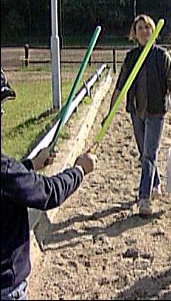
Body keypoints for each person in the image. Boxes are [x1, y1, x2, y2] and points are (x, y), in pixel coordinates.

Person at [1, 68, 96, 300]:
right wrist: (79, 170)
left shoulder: (8, 173)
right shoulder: (5, 171)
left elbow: (10, 182)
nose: (2, 111)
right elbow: (48, 193)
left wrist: (30, 164)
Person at [109, 14, 171, 217]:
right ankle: (155, 183)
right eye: (140, 28)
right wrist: (110, 112)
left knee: (149, 154)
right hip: (136, 111)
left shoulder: (161, 56)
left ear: (153, 31)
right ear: (135, 33)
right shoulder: (131, 57)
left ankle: (144, 198)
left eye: (147, 28)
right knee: (143, 154)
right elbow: (119, 86)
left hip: (156, 112)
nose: (144, 31)